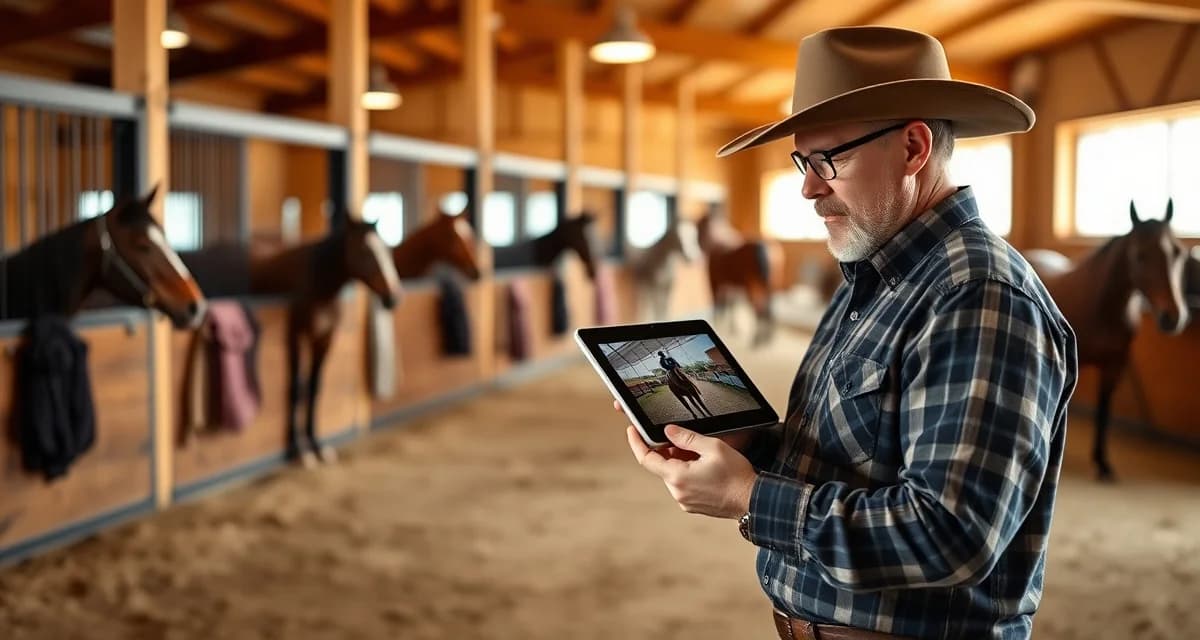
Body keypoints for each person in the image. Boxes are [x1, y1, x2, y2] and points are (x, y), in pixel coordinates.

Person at [615, 25, 1078, 640]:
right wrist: (754, 444)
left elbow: (951, 535)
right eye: (802, 162)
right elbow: (858, 458)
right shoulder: (873, 274)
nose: (809, 187)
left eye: (829, 159)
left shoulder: (975, 293)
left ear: (914, 148)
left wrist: (750, 498)